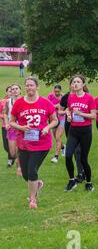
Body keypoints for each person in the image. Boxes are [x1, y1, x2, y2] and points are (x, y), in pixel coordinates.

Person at [9, 77, 58, 209]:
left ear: (37, 87)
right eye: (27, 86)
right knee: (26, 174)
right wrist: (21, 127)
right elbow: (12, 121)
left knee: (32, 171)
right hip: (24, 142)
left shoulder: (46, 103)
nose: (29, 88)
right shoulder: (19, 103)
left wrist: (47, 128)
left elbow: (55, 120)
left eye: (32, 85)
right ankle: (38, 184)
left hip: (42, 143)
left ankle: (32, 200)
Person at [64, 75, 97, 192]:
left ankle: (88, 182)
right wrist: (68, 115)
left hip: (85, 131)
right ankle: (71, 180)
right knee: (68, 156)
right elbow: (68, 109)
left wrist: (80, 113)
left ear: (83, 84)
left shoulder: (89, 98)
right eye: (73, 82)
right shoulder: (71, 97)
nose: (75, 84)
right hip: (73, 130)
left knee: (83, 159)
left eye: (78, 82)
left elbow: (93, 116)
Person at [3, 84, 22, 174]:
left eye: (16, 89)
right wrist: (7, 123)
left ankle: (19, 166)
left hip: (22, 128)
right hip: (12, 128)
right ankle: (17, 159)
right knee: (13, 153)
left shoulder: (24, 100)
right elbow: (5, 114)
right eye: (12, 89)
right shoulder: (8, 101)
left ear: (20, 90)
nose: (14, 90)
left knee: (21, 147)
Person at [47, 85, 66, 163]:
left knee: (58, 137)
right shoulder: (50, 96)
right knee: (56, 138)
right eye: (55, 91)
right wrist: (56, 106)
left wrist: (61, 107)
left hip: (62, 118)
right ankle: (63, 147)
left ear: (61, 90)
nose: (57, 93)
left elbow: (67, 107)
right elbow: (47, 106)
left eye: (58, 91)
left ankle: (56, 157)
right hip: (53, 119)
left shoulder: (64, 97)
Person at [0, 86, 13, 166]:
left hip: (14, 126)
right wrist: (3, 117)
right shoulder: (2, 101)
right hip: (4, 126)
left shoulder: (17, 101)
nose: (11, 92)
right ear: (6, 92)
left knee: (11, 144)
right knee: (6, 146)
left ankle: (10, 161)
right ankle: (13, 156)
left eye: (12, 90)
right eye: (9, 91)